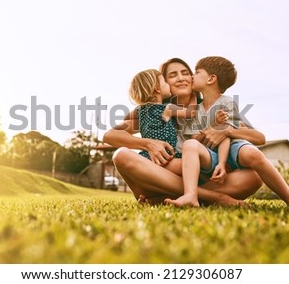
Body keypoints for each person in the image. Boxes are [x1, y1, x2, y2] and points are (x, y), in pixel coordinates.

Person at [165, 56, 289, 210]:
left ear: (211, 79)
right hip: (209, 155)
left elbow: (244, 136)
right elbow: (196, 139)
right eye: (173, 75)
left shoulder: (226, 103)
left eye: (196, 72)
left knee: (253, 154)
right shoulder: (193, 112)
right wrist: (213, 129)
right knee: (191, 145)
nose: (192, 76)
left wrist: (224, 140)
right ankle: (194, 196)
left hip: (231, 147)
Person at [104, 57, 264, 206]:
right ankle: (212, 197)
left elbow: (258, 137)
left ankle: (174, 197)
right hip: (160, 175)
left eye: (186, 73)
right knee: (121, 155)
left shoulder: (212, 107)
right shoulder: (156, 112)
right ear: (162, 84)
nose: (181, 78)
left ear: (193, 78)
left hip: (205, 177)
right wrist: (147, 143)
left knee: (253, 177)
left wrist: (227, 131)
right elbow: (110, 135)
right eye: (173, 75)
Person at [128, 68, 228, 176]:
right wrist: (193, 98)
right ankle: (205, 192)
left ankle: (144, 192)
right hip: (168, 157)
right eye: (165, 83)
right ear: (157, 88)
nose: (167, 85)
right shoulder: (167, 108)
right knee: (194, 167)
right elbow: (190, 113)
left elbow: (126, 118)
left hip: (148, 156)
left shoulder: (139, 110)